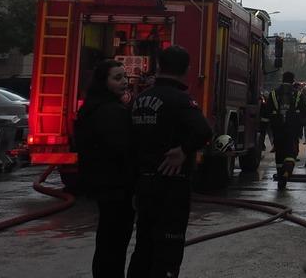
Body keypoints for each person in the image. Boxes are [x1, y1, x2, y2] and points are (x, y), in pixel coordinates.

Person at [127, 46, 212, 278]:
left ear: (158, 66)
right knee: (168, 247)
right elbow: (204, 131)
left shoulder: (140, 99)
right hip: (172, 184)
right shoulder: (181, 100)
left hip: (143, 183)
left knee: (144, 245)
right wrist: (184, 151)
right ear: (186, 69)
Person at [74, 60, 135, 278]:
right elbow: (122, 149)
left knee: (107, 237)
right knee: (115, 241)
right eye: (117, 78)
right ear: (103, 81)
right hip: (116, 186)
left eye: (125, 77)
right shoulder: (112, 111)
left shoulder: (91, 107)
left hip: (102, 184)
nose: (124, 82)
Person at [262, 71, 306, 189]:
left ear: (282, 79)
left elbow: (267, 111)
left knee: (279, 153)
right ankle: (286, 173)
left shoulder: (273, 93)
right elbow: (304, 111)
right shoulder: (297, 94)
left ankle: (280, 175)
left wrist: (266, 126)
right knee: (291, 152)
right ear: (293, 81)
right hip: (292, 130)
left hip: (277, 129)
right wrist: (301, 123)